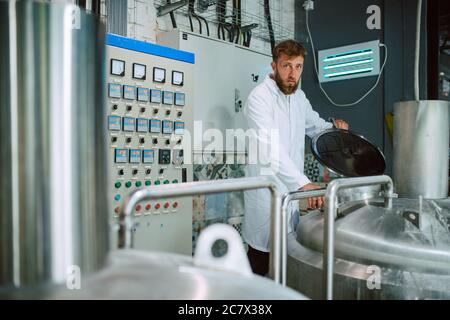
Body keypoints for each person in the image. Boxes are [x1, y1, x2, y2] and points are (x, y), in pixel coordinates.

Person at [242, 39, 348, 276]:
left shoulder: (298, 97)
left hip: (289, 192)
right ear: (274, 66)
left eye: (298, 67)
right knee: (260, 260)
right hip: (266, 193)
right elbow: (271, 150)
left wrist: (334, 129)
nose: (292, 74)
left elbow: (314, 126)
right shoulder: (259, 98)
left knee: (285, 257)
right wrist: (303, 184)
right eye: (286, 66)